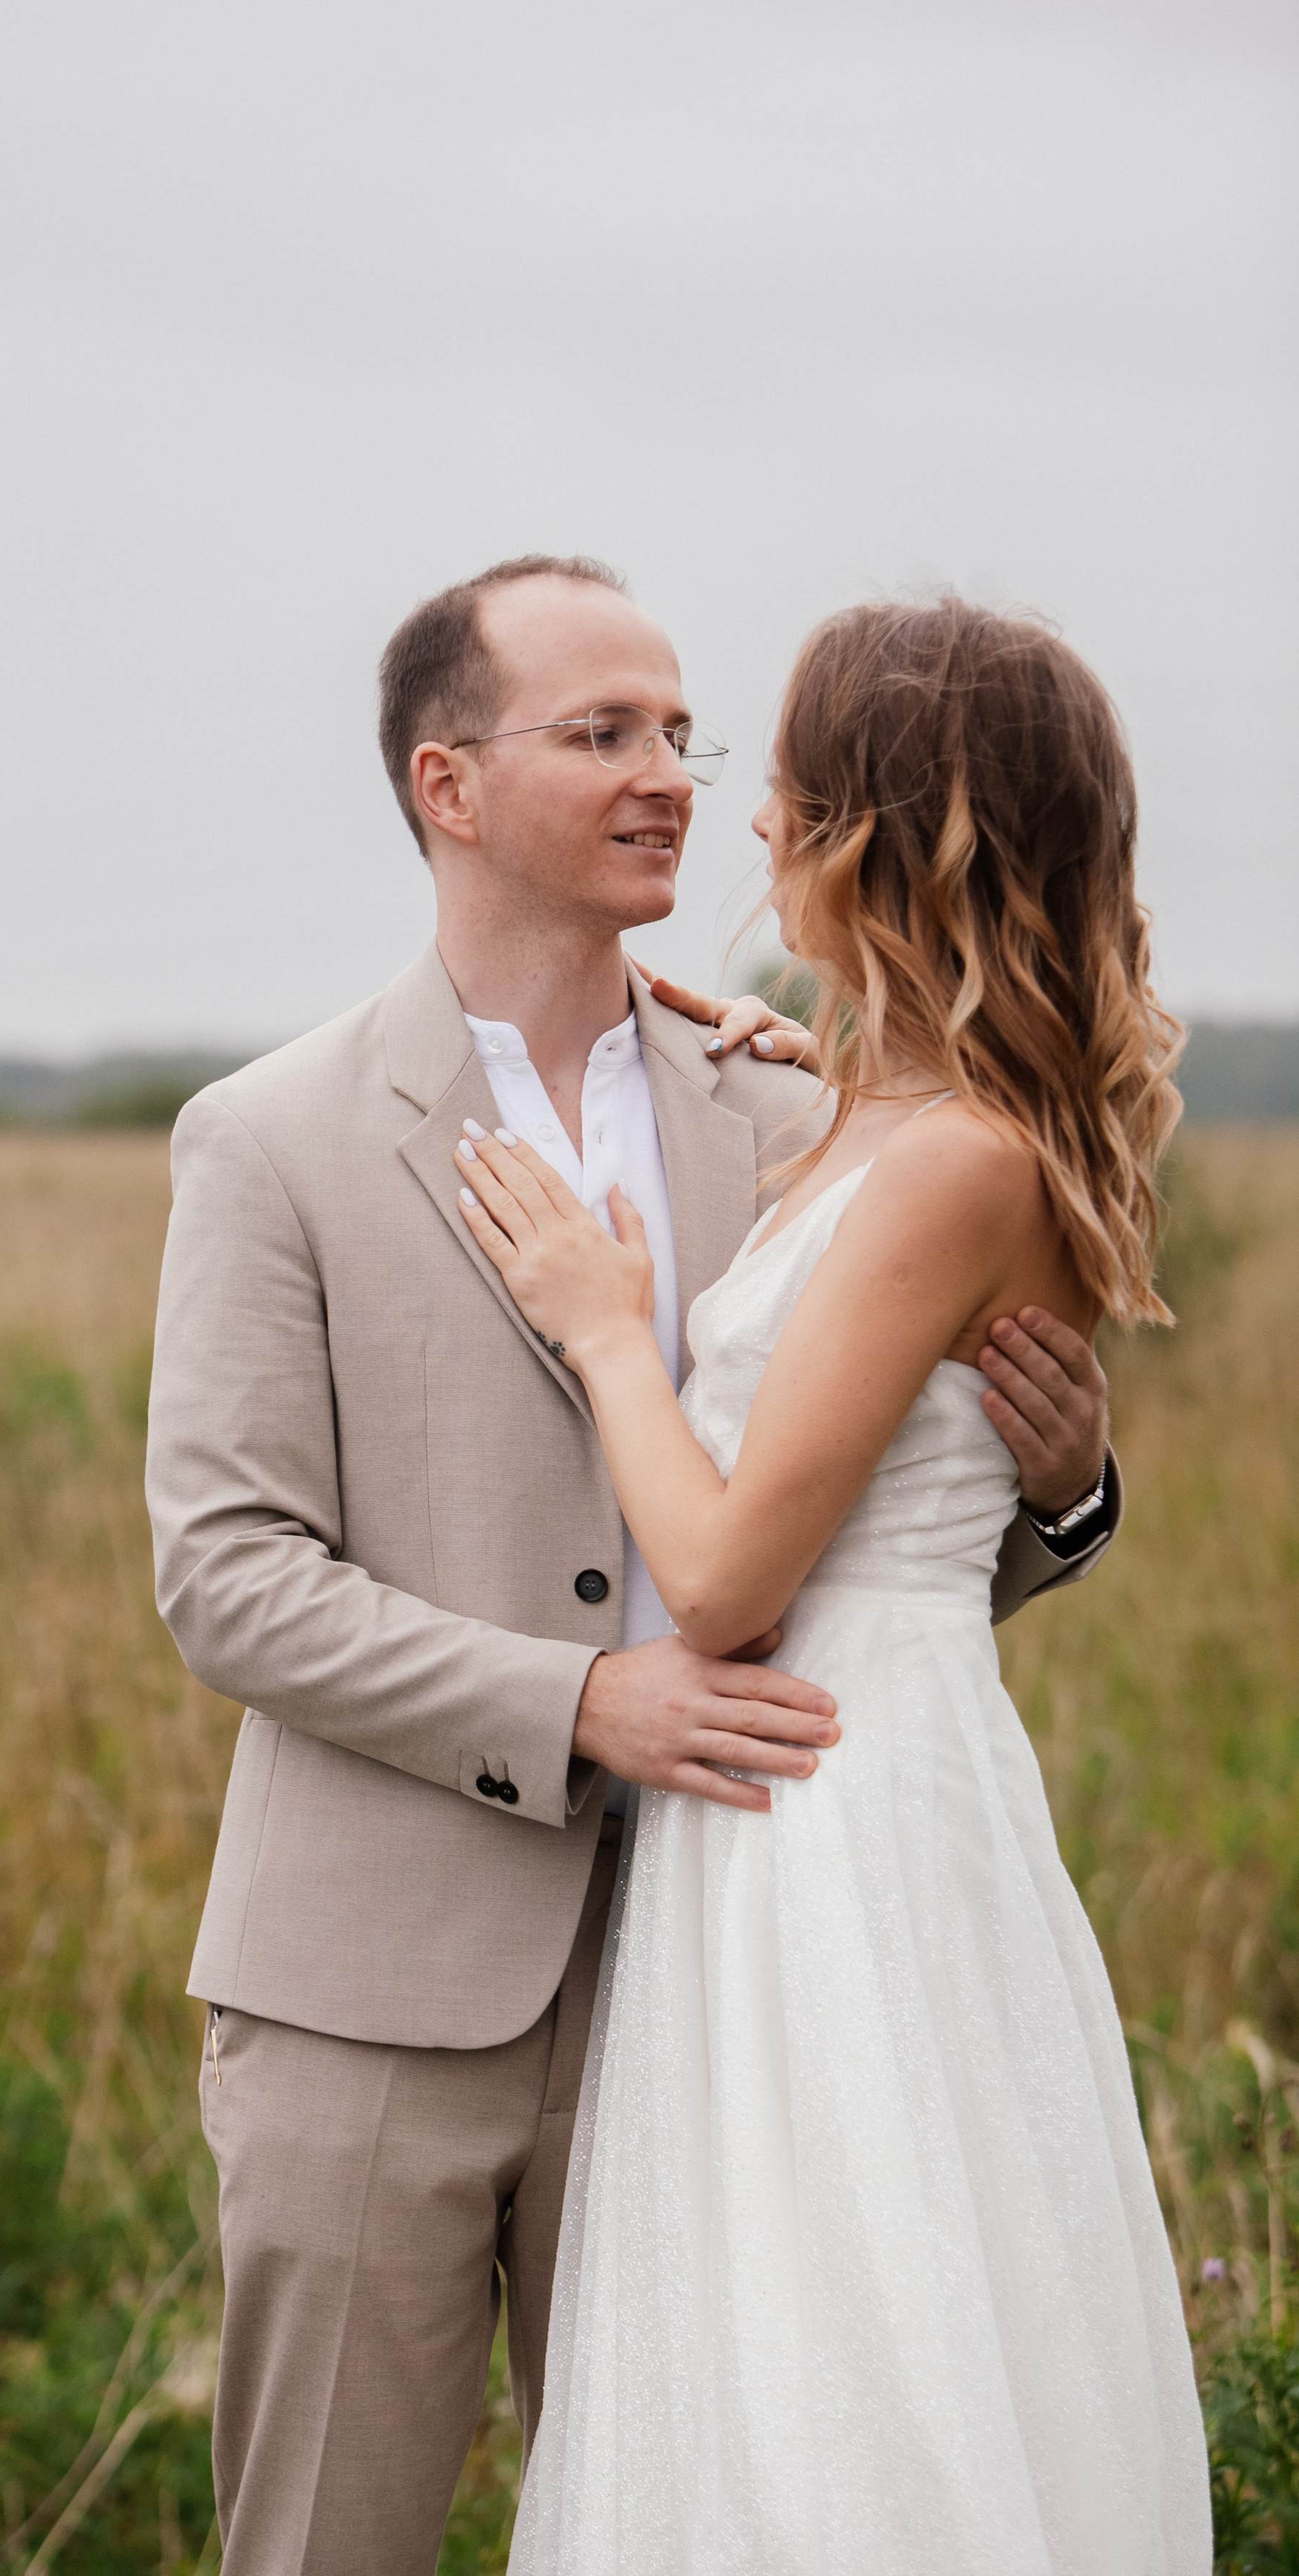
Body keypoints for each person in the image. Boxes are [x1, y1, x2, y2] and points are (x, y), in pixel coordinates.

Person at [145, 558, 1119, 2576]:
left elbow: (879, 1547)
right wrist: (580, 1705)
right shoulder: (274, 1135)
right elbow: (229, 1577)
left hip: (734, 1972)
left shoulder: (807, 1117)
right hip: (376, 1997)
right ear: (446, 783)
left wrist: (1067, 1502)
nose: (672, 773)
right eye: (603, 733)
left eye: (682, 730)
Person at [452, 597, 1209, 2572]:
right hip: (816, 1788)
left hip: (832, 1806)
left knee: (851, 2351)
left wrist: (607, 1328)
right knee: (789, 2342)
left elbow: (722, 1583)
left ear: (884, 830)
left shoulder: (956, 1162)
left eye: (783, 778)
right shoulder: (900, 1124)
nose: (749, 815)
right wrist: (826, 1065)